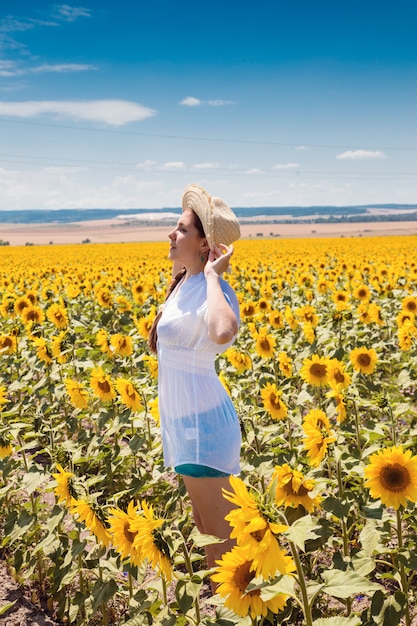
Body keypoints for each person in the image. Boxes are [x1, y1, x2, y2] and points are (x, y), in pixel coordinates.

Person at [148, 183, 241, 589]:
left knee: (224, 542)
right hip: (184, 425)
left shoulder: (212, 290)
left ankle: (240, 609)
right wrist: (191, 271)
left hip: (205, 425)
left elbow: (223, 332)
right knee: (206, 532)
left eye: (182, 229)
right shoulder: (183, 287)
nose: (172, 234)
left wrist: (213, 276)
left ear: (206, 244)